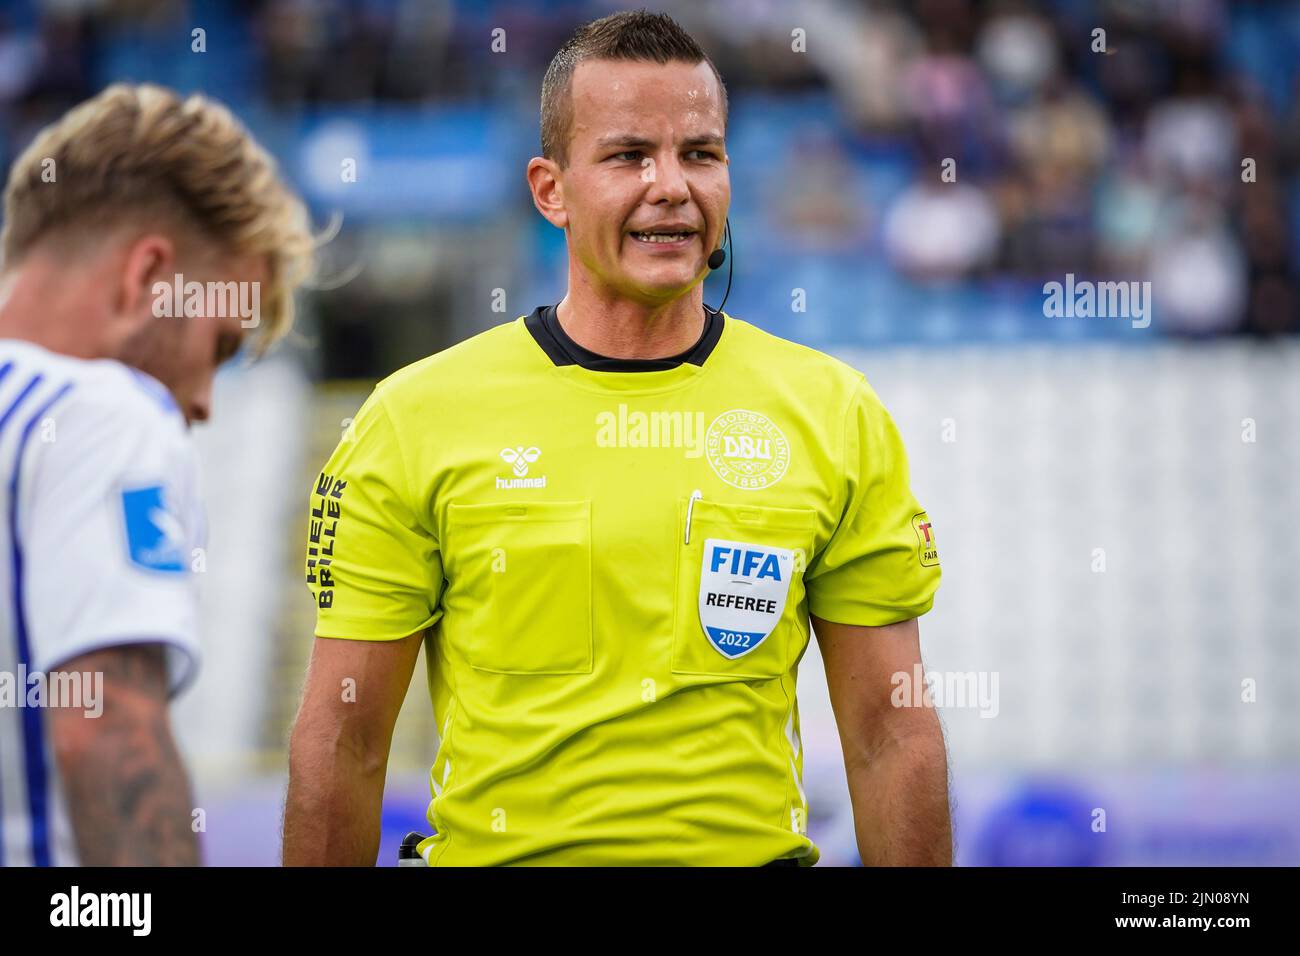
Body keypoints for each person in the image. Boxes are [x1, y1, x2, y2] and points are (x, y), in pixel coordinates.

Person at [284, 10, 950, 867]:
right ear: (550, 189)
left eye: (700, 154)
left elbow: (891, 731)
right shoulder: (414, 418)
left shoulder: (834, 412)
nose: (671, 185)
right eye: (630, 155)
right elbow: (343, 740)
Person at [0, 82, 313, 866]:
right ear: (147, 278)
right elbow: (110, 735)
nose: (205, 402)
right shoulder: (99, 413)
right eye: (219, 346)